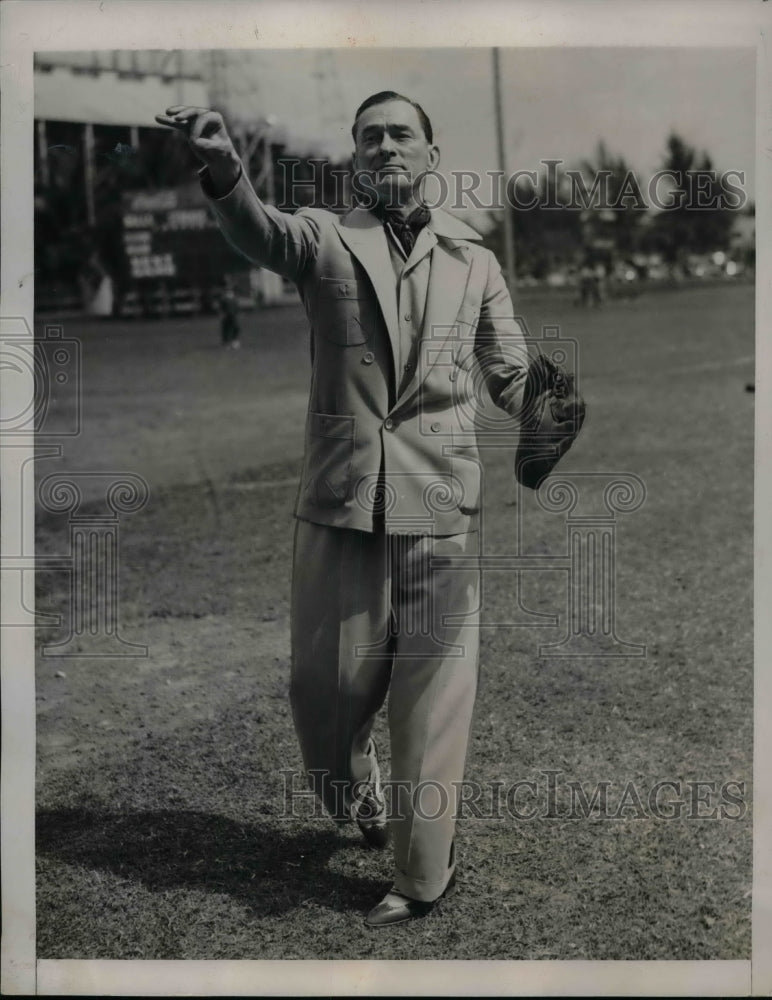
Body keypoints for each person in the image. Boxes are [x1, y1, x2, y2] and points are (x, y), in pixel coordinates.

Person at [156, 92, 532, 927]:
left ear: (431, 154)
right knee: (323, 695)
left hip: (441, 507)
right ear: (356, 158)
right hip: (342, 503)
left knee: (433, 700)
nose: (386, 146)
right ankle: (354, 789)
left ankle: (424, 871)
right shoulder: (324, 239)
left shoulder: (475, 260)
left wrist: (541, 401)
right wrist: (224, 168)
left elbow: (507, 368)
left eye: (401, 134)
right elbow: (259, 231)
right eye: (370, 138)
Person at [219, 276, 241, 349]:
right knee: (226, 329)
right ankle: (226, 343)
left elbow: (236, 306)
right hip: (226, 315)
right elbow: (221, 307)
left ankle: (235, 341)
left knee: (235, 328)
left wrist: (237, 312)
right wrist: (222, 314)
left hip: (233, 315)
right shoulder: (224, 297)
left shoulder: (234, 297)